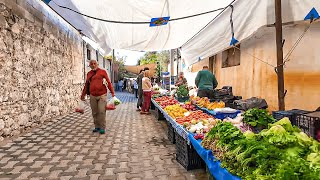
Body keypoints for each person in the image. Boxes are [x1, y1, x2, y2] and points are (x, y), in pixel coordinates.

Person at [81, 60, 115, 134]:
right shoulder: (89, 74)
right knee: (95, 112)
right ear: (89, 65)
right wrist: (82, 95)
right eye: (91, 64)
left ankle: (102, 127)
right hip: (92, 95)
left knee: (101, 111)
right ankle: (97, 126)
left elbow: (108, 82)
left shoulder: (103, 72)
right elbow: (86, 85)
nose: (93, 65)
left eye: (94, 63)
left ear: (97, 64)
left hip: (102, 95)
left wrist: (112, 92)